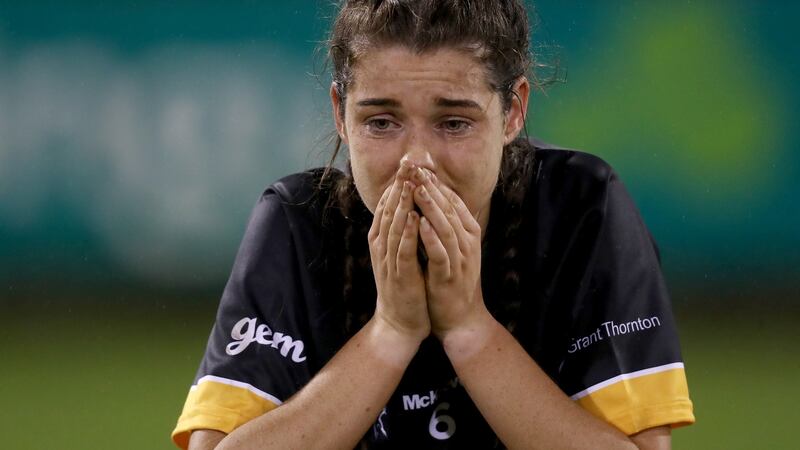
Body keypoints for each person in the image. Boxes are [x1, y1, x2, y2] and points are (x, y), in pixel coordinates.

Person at [172, 1, 695, 448]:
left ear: (513, 111)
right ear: (339, 113)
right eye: (381, 122)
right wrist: (389, 334)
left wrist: (468, 328)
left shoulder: (582, 209)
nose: (416, 160)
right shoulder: (297, 222)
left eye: (454, 123)